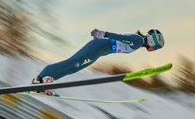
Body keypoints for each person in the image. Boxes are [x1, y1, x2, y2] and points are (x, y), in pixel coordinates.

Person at [31, 28, 165, 95]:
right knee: (73, 63)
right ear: (152, 40)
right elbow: (121, 38)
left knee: (74, 68)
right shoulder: (139, 41)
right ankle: (42, 77)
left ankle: (47, 81)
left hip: (101, 50)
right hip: (100, 47)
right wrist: (104, 34)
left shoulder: (139, 42)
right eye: (157, 46)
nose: (155, 49)